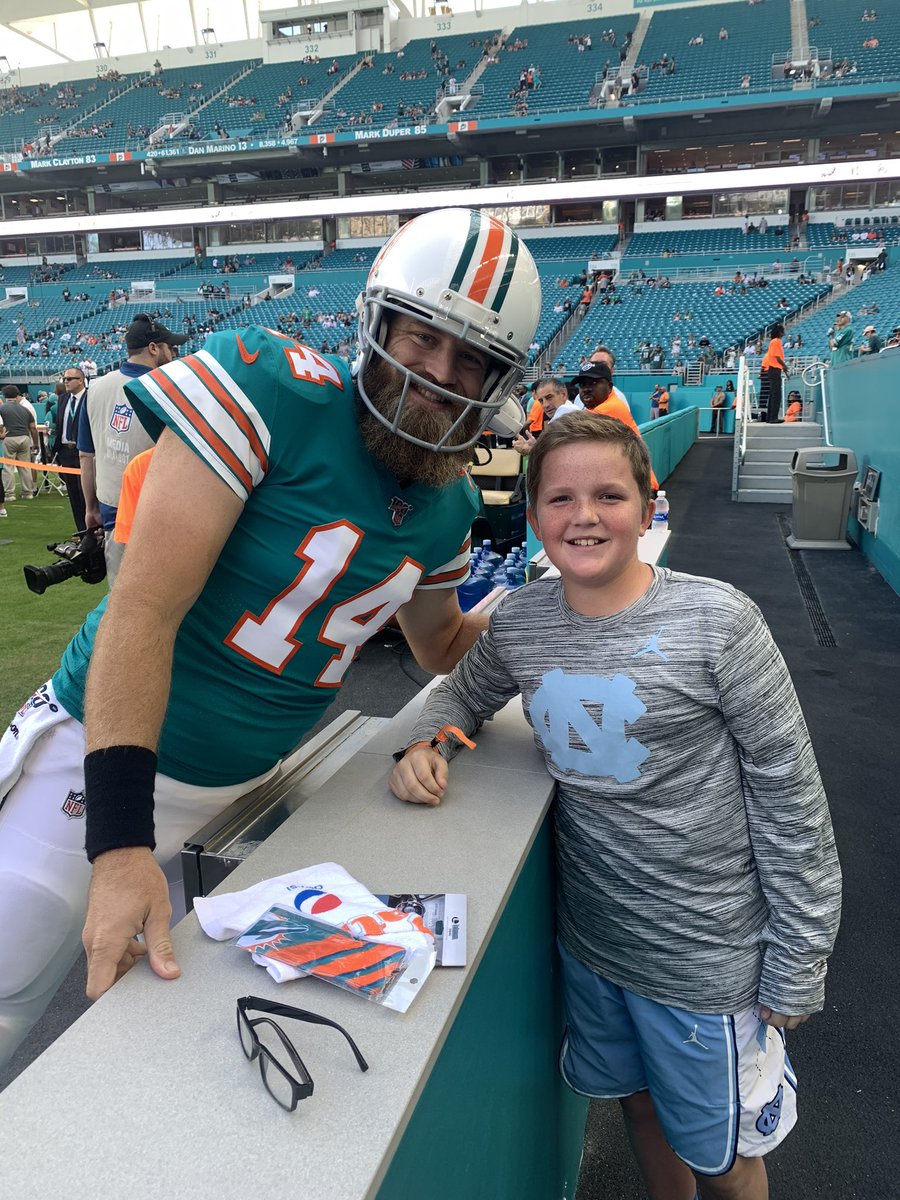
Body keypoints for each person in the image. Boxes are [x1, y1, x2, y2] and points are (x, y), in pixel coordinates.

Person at [0, 208, 542, 1071]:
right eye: (421, 337)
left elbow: (441, 646)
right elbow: (143, 611)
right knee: (8, 975)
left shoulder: (448, 507)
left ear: (497, 378)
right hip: (102, 759)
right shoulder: (268, 384)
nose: (438, 374)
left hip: (249, 791)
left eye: (469, 358)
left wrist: (554, 614)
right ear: (377, 324)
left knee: (168, 1048)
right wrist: (121, 839)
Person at [390, 411, 841, 1200]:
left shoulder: (720, 621)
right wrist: (424, 745)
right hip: (595, 948)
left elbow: (791, 796)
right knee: (637, 1106)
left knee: (726, 1161)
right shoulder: (523, 619)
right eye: (560, 499)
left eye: (608, 495)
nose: (585, 516)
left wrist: (800, 955)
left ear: (646, 504)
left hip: (708, 963)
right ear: (533, 518)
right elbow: (461, 692)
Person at [77, 314, 187, 586]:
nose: (173, 353)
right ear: (153, 348)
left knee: (121, 599)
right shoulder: (170, 388)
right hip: (162, 512)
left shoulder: (95, 388)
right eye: (170, 348)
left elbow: (86, 456)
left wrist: (90, 507)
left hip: (113, 511)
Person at [53, 366, 88, 530]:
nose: (65, 382)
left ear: (80, 380)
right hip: (66, 452)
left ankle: (92, 530)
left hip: (85, 451)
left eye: (69, 379)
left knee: (87, 493)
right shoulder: (63, 399)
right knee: (73, 494)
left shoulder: (90, 397)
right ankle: (81, 530)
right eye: (64, 379)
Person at [0, 385, 39, 500]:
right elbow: (33, 428)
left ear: (4, 395)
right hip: (24, 438)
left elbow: (0, 424)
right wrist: (35, 443)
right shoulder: (25, 408)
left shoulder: (2, 409)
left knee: (8, 467)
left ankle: (9, 494)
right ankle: (28, 492)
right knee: (25, 467)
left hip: (9, 438)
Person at [760, 323, 787, 423]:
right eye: (782, 331)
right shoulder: (776, 341)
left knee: (772, 394)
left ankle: (770, 417)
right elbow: (778, 357)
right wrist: (785, 366)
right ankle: (773, 417)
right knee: (776, 395)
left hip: (773, 369)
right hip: (774, 369)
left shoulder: (773, 341)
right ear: (780, 332)